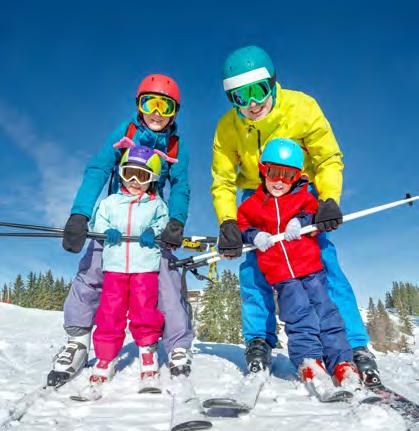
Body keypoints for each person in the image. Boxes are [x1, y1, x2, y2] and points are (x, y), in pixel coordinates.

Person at [211, 45, 380, 386]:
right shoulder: (228, 127)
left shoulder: (301, 107)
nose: (252, 104)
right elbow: (223, 180)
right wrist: (228, 222)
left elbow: (327, 157)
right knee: (255, 267)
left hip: (300, 193)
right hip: (256, 197)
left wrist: (328, 198)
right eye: (240, 97)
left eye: (258, 91)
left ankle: (354, 345)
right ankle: (259, 339)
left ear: (272, 83)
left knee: (322, 263)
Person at [49, 74, 193, 387]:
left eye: (165, 106)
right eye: (150, 103)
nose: (157, 113)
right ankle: (77, 341)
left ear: (174, 112)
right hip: (114, 222)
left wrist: (175, 222)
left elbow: (180, 186)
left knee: (166, 279)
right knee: (91, 271)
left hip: (150, 225)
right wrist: (80, 214)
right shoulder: (126, 132)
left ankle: (177, 345)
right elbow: (99, 168)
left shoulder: (175, 145)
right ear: (139, 106)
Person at [237, 138, 360, 391]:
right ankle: (309, 360)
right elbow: (241, 226)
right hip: (282, 276)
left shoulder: (303, 198)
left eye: (289, 175)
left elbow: (314, 213)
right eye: (274, 173)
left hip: (311, 270)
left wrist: (301, 221)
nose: (280, 181)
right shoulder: (252, 205)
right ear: (263, 170)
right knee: (298, 316)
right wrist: (254, 235)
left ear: (297, 177)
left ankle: (341, 361)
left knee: (327, 313)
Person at [90, 145, 168, 384]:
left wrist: (153, 231)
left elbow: (163, 223)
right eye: (129, 173)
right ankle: (105, 356)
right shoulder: (110, 202)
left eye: (142, 176)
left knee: (144, 309)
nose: (134, 181)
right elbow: (97, 222)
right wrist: (106, 231)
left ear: (152, 179)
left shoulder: (156, 204)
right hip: (115, 267)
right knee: (110, 311)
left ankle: (147, 350)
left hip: (144, 266)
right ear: (121, 173)